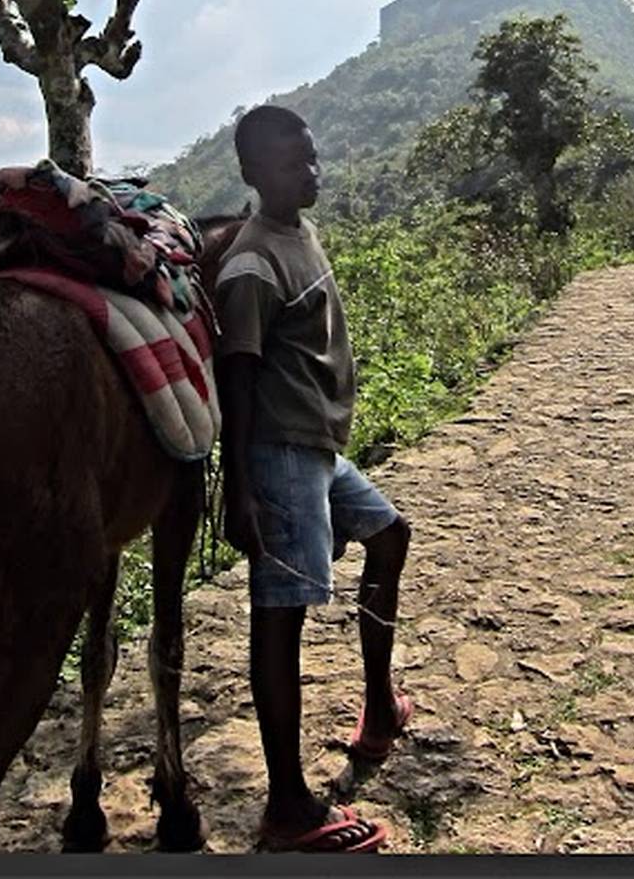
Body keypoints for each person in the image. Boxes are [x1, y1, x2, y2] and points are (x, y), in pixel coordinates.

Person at [214, 105, 412, 854]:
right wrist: (240, 491)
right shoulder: (252, 264)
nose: (310, 170)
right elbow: (238, 379)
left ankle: (378, 706)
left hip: (319, 448)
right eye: (292, 162)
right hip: (280, 451)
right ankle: (288, 805)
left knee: (389, 536)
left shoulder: (301, 234)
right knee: (281, 615)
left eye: (312, 156)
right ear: (253, 174)